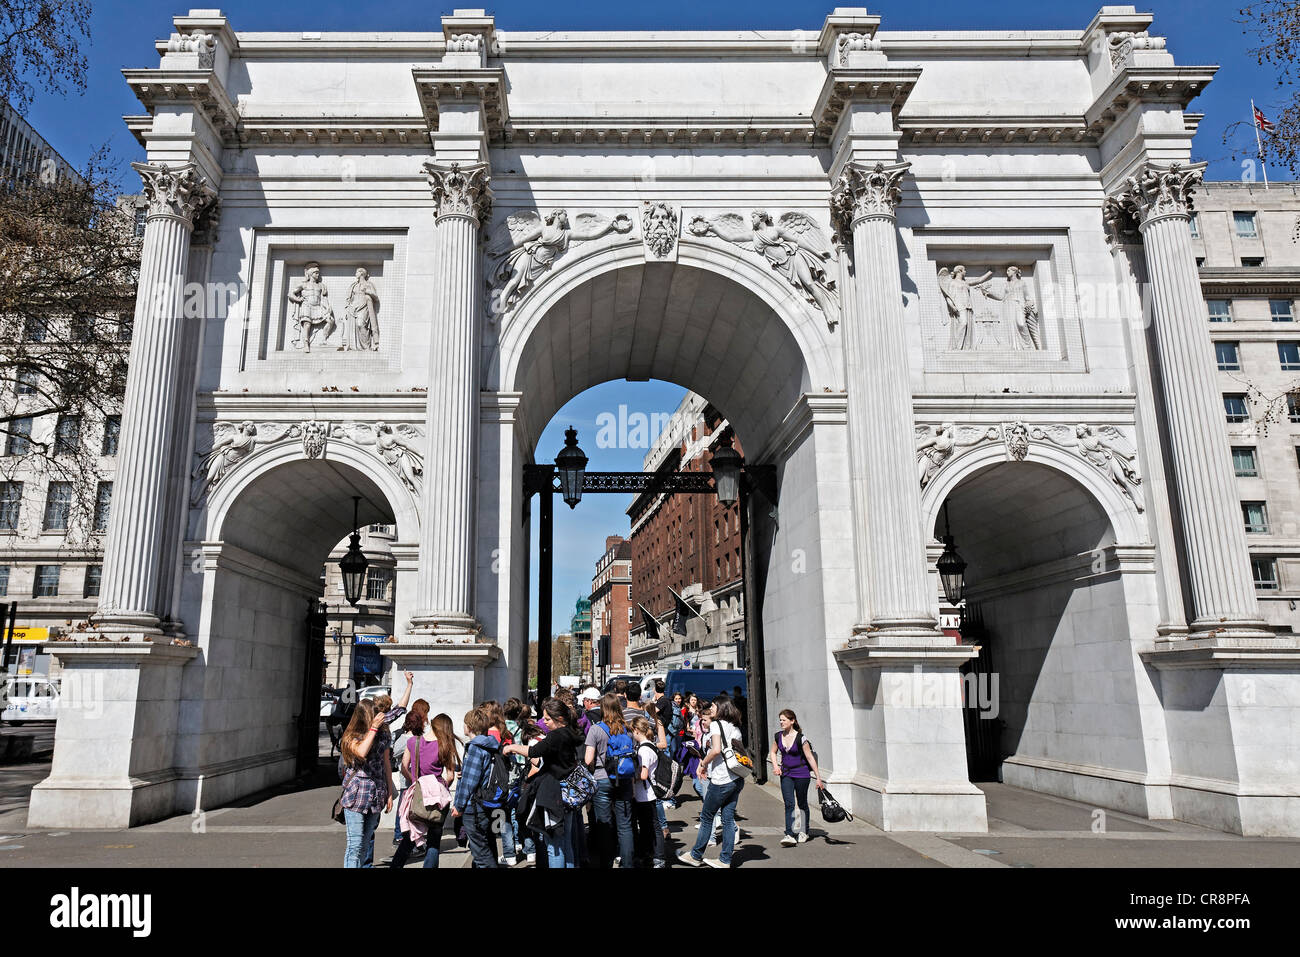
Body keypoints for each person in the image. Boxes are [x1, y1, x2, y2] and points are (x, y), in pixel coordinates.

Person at [504, 698, 583, 868]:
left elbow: (534, 751)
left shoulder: (556, 736)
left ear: (559, 718)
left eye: (547, 719)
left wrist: (512, 748)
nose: (544, 723)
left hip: (555, 794)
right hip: (569, 793)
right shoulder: (570, 733)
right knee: (566, 840)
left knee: (554, 844)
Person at [679, 698, 747, 869]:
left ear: (722, 708)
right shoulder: (735, 727)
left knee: (707, 816)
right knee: (728, 819)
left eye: (714, 706)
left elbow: (716, 750)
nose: (711, 708)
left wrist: (703, 764)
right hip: (736, 778)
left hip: (721, 779)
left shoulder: (717, 725)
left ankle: (696, 855)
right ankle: (725, 860)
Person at [391, 701, 455, 868]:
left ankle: (395, 866)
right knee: (434, 841)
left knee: (410, 837)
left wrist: (416, 782)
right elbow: (450, 776)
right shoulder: (444, 746)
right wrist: (440, 785)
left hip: (417, 795)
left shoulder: (413, 742)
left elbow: (404, 765)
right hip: (436, 798)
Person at [338, 698, 393, 868]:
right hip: (357, 795)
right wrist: (374, 728)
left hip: (376, 793)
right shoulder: (350, 737)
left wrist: (390, 791)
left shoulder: (381, 735)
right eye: (373, 713)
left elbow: (386, 763)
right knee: (355, 845)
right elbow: (361, 752)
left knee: (365, 844)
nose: (376, 716)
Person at [453, 705, 502, 868]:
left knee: (480, 853)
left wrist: (459, 806)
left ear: (469, 727)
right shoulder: (490, 744)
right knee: (485, 845)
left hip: (473, 806)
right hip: (486, 803)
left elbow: (469, 783)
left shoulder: (475, 748)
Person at [770, 709, 824, 846]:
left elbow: (810, 758)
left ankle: (803, 831)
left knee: (802, 803)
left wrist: (818, 777)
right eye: (780, 720)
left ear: (792, 721)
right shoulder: (778, 736)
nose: (781, 722)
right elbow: (772, 751)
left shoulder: (801, 738)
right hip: (786, 773)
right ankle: (789, 834)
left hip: (802, 774)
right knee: (789, 804)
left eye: (784, 720)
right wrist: (776, 766)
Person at [629, 716, 666, 868]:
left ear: (637, 731)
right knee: (650, 827)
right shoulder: (651, 745)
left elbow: (644, 775)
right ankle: (652, 855)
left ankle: (658, 857)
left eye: (633, 731)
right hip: (648, 793)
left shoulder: (643, 749)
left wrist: (632, 777)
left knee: (651, 827)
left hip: (645, 794)